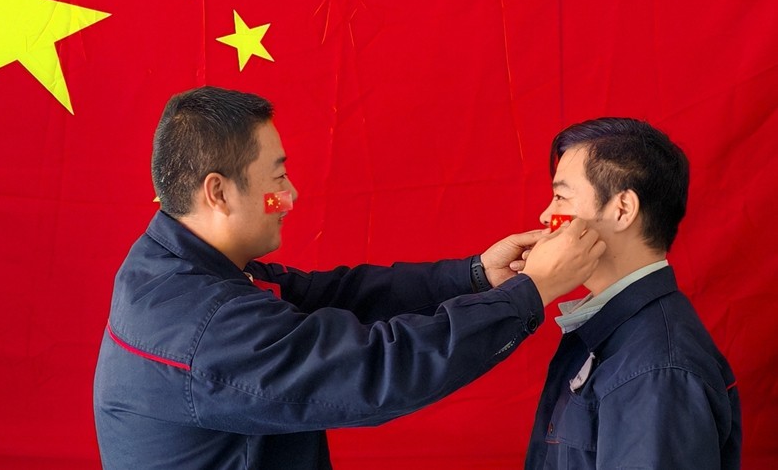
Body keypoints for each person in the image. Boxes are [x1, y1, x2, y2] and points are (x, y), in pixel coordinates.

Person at [93, 86, 605, 469]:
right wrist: (530, 292)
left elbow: (333, 297)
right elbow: (378, 368)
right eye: (277, 179)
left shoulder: (174, 265)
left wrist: (475, 276)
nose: (290, 197)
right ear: (218, 192)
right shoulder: (204, 326)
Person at [525, 117, 741, 469]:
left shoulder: (657, 371)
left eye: (560, 197)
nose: (546, 215)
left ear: (622, 209)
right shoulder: (615, 338)